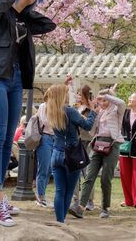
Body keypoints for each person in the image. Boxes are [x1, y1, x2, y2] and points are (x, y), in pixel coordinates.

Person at [0, 0, 56, 227]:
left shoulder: (24, 20)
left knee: (7, 137)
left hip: (16, 78)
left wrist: (26, 8)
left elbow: (49, 25)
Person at [45, 84, 95, 223]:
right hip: (71, 155)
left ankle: (59, 221)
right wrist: (92, 111)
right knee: (68, 191)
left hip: (56, 153)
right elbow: (88, 125)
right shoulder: (70, 111)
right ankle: (62, 222)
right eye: (66, 93)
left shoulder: (51, 110)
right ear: (62, 96)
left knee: (59, 190)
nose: (68, 95)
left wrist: (68, 84)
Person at [79, 87, 126, 218]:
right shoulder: (99, 112)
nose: (102, 103)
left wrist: (106, 95)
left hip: (112, 144)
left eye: (105, 100)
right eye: (101, 100)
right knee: (89, 176)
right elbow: (92, 130)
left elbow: (122, 103)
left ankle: (105, 208)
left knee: (106, 178)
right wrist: (96, 109)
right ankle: (81, 206)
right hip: (98, 142)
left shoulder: (117, 110)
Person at [69, 83, 96, 218]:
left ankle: (89, 200)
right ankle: (75, 199)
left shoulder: (91, 109)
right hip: (77, 142)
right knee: (75, 171)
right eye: (77, 94)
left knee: (87, 173)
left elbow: (91, 125)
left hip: (88, 142)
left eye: (81, 94)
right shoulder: (75, 108)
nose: (78, 97)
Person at [34, 93, 54, 208]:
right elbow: (46, 121)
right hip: (45, 137)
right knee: (43, 168)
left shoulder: (56, 108)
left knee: (49, 169)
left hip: (54, 138)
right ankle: (40, 196)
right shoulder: (43, 106)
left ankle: (42, 195)